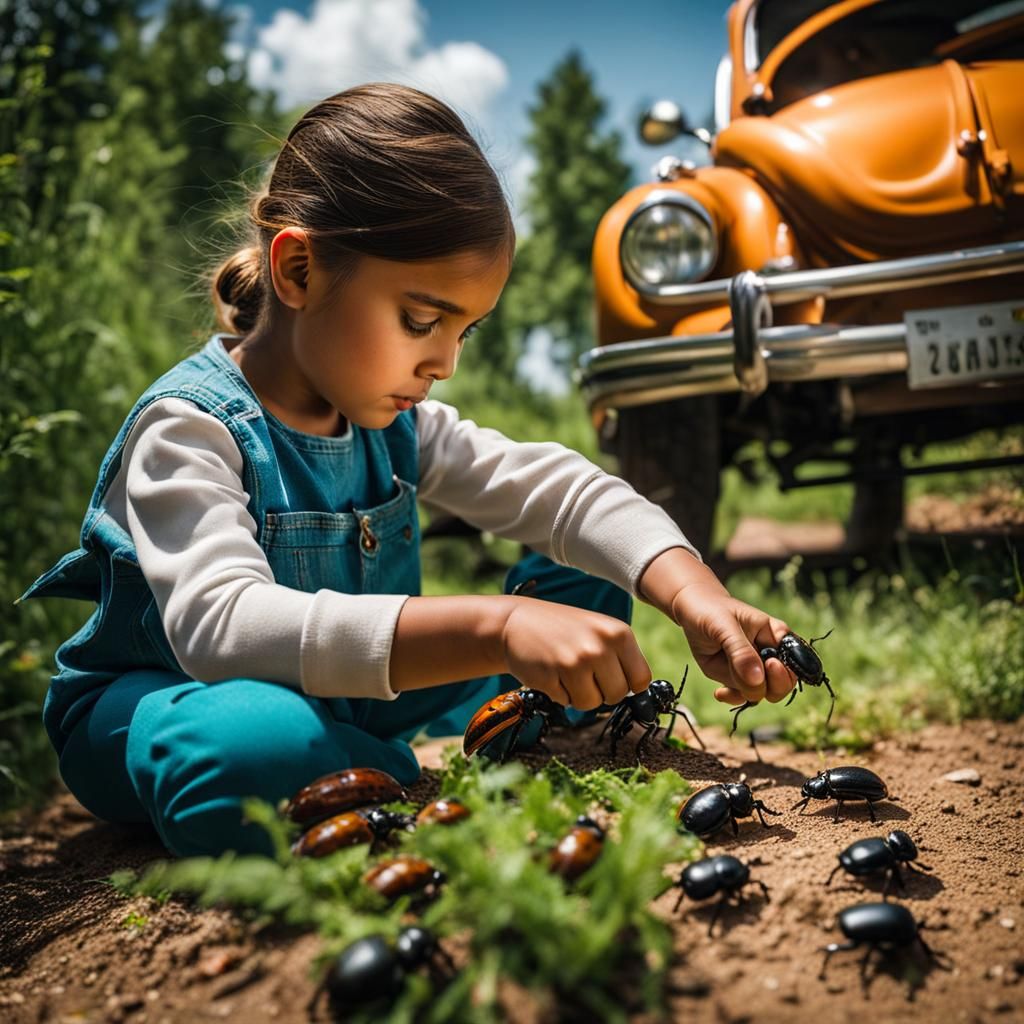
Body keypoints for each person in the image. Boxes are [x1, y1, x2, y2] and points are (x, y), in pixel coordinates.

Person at [18, 83, 795, 859]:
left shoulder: (393, 422)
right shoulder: (189, 428)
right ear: (298, 272)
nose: (446, 363)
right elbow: (225, 628)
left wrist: (694, 592)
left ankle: (369, 754)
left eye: (466, 331)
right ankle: (374, 770)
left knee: (586, 585)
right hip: (168, 702)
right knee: (251, 749)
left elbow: (559, 493)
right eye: (423, 322)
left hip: (352, 697)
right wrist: (497, 626)